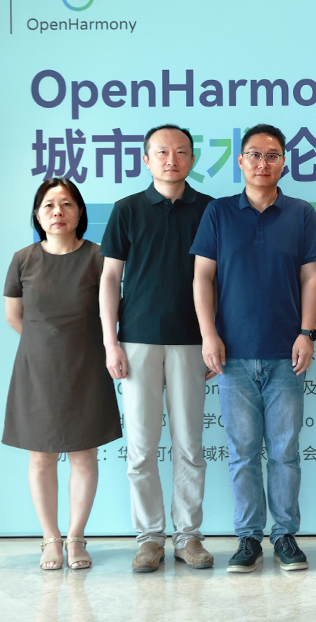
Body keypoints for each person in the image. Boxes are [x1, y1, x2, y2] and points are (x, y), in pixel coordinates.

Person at [190, 124, 316, 573]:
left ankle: (284, 535)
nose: (262, 163)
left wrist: (307, 333)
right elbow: (202, 277)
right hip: (234, 357)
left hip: (287, 354)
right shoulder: (219, 212)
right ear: (241, 161)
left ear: (284, 161)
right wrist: (209, 334)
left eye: (271, 155)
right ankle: (248, 537)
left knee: (284, 451)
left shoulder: (301, 213)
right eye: (254, 155)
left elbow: (311, 277)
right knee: (242, 452)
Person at [99, 124, 215, 573]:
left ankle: (188, 537)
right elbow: (111, 278)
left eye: (181, 151)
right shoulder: (127, 209)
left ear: (192, 159)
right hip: (137, 341)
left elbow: (217, 280)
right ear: (147, 159)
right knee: (142, 448)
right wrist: (110, 341)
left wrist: (213, 338)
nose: (172, 159)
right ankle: (149, 538)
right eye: (162, 152)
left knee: (190, 446)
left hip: (191, 341)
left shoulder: (209, 209)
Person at [3, 178, 122, 570]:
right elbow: (14, 315)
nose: (58, 212)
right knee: (42, 456)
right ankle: (50, 539)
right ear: (38, 215)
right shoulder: (23, 259)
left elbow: (113, 310)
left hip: (87, 367)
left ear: (80, 212)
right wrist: (45, 343)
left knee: (84, 454)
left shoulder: (99, 257)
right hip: (37, 371)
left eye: (67, 204)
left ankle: (76, 538)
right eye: (49, 205)